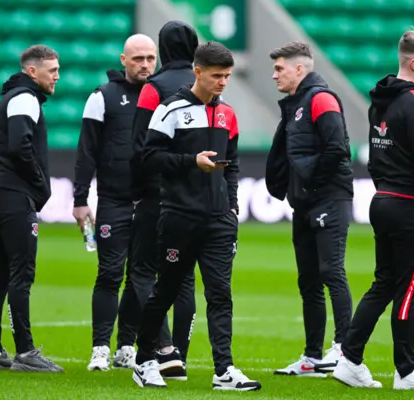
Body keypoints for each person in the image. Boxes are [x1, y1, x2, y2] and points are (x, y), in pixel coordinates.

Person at [131, 41, 261, 391]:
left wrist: (231, 205)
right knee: (167, 291)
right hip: (179, 218)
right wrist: (191, 161)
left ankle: (224, 370)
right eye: (217, 76)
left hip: (218, 220)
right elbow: (149, 157)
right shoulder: (169, 110)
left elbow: (231, 164)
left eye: (228, 76)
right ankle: (144, 360)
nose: (222, 82)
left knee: (220, 294)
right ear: (198, 71)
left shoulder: (228, 114)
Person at [332, 30, 414, 390]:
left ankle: (350, 359)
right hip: (412, 205)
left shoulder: (378, 99)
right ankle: (406, 370)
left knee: (384, 283)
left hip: (383, 199)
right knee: (410, 288)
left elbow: (374, 153)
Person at [72, 34, 160, 372]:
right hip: (114, 200)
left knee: (142, 278)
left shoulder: (164, 97)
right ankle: (99, 348)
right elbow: (86, 152)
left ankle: (126, 346)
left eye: (150, 58)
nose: (145, 65)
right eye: (138, 59)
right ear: (123, 59)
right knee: (109, 274)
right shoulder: (102, 96)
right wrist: (80, 199)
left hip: (152, 202)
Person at [265, 41, 354, 377]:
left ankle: (343, 349)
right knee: (309, 281)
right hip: (304, 201)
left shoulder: (321, 99)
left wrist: (313, 186)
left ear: (299, 69)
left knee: (332, 271)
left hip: (328, 197)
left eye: (279, 68)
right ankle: (313, 357)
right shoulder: (297, 103)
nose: (274, 75)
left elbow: (337, 149)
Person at [0, 44, 63, 372]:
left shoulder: (14, 96)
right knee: (20, 275)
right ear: (32, 71)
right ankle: (25, 353)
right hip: (14, 195)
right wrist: (41, 184)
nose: (57, 75)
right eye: (52, 70)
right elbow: (20, 145)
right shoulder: (25, 98)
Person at [127, 20, 199, 379]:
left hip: (158, 195)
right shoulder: (206, 83)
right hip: (195, 197)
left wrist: (137, 192)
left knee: (142, 271)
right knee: (183, 278)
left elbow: (141, 145)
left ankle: (165, 348)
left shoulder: (154, 88)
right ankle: (180, 355)